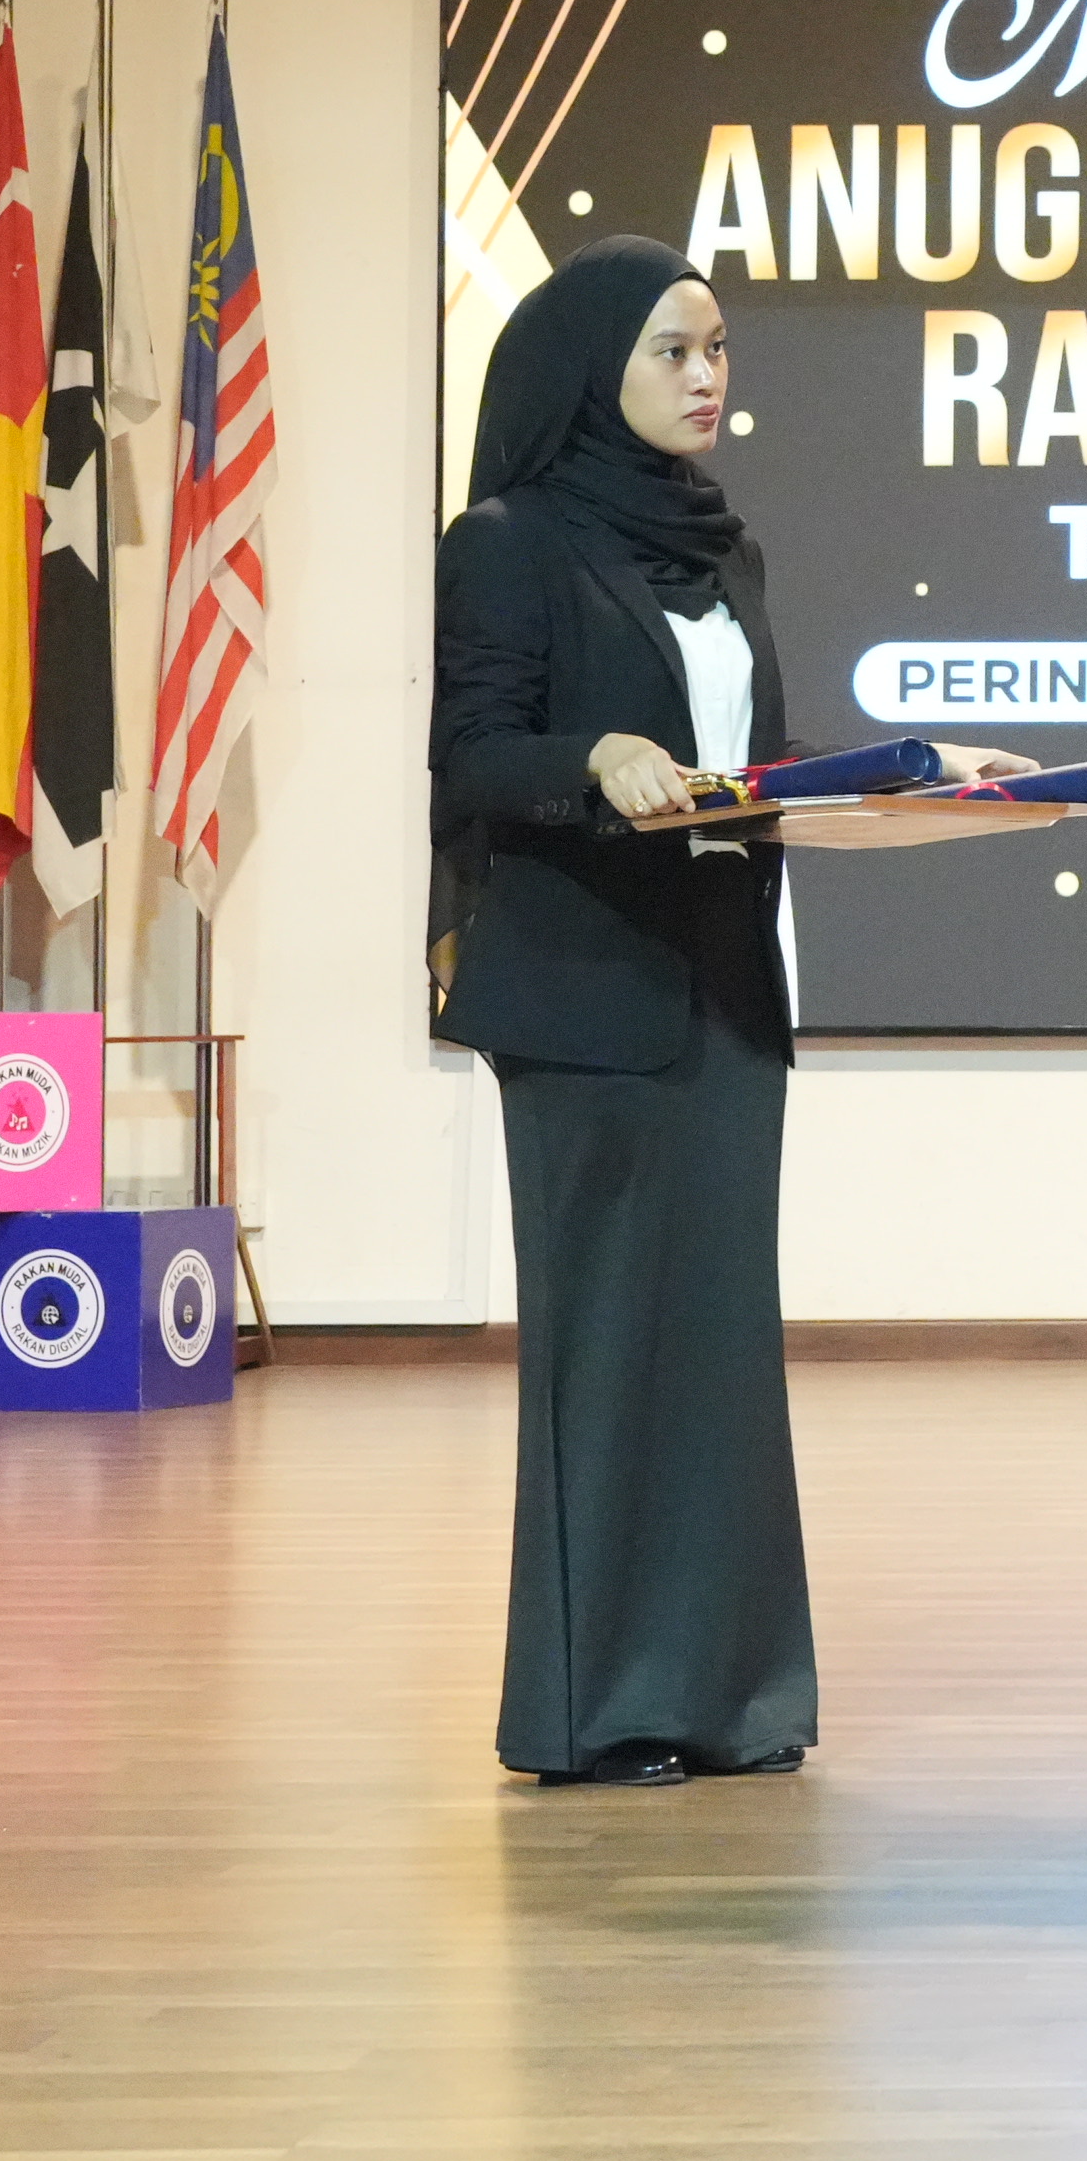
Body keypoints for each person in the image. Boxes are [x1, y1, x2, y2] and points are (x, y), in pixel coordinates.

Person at [430, 239, 1037, 1788]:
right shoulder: (505, 541)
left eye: (718, 349)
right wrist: (592, 759)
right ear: (592, 370)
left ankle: (733, 1698)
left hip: (723, 985)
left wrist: (920, 771)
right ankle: (598, 1712)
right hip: (585, 1000)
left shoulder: (726, 554)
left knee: (713, 1355)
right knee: (607, 1358)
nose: (708, 376)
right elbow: (474, 754)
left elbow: (753, 772)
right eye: (673, 350)